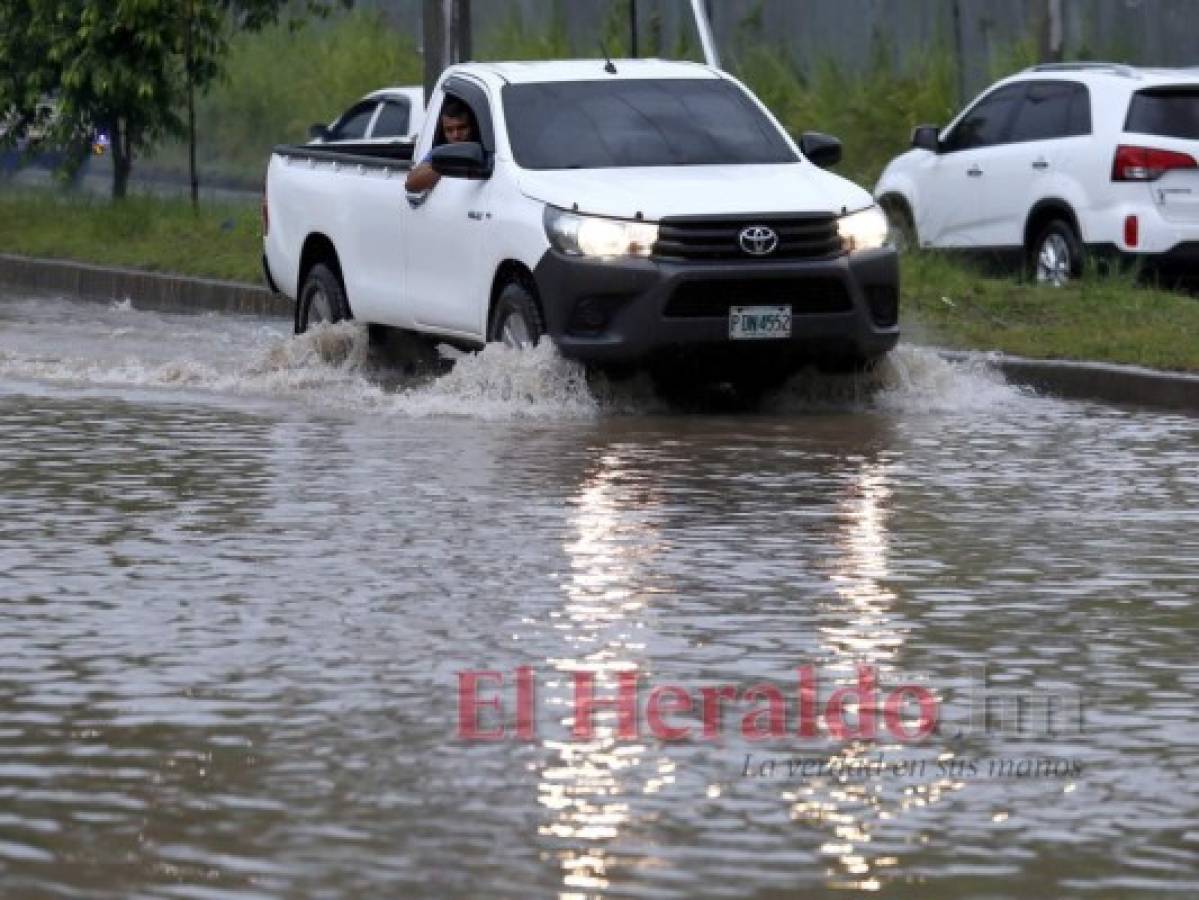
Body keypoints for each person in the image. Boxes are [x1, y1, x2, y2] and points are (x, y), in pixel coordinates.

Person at [405, 98, 477, 194]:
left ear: (473, 127)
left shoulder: (488, 150)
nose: (456, 135)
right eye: (449, 130)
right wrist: (450, 163)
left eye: (462, 128)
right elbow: (411, 184)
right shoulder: (440, 153)